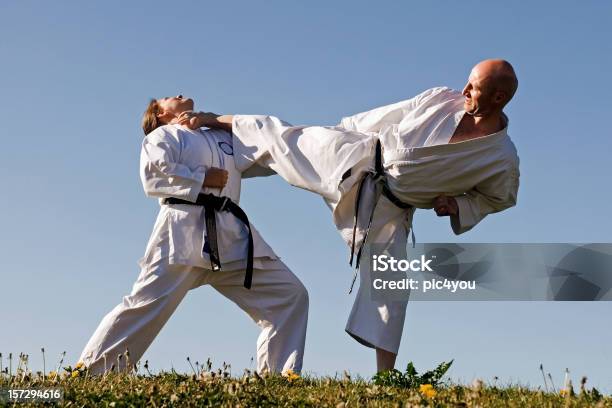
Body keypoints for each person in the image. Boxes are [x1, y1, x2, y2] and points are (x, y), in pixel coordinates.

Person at [178, 59, 520, 372]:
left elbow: (499, 198)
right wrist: (341, 130)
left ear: (499, 97)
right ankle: (214, 130)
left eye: (474, 88)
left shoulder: (501, 159)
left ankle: (386, 378)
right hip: (356, 157)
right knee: (282, 139)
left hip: (389, 208)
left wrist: (459, 205)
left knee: (391, 287)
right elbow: (390, 115)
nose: (465, 91)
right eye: (468, 82)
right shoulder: (440, 100)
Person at [77, 95, 309, 375]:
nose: (177, 94)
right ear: (159, 114)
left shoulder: (220, 136)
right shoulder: (163, 136)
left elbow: (269, 145)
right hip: (182, 232)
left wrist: (216, 120)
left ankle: (279, 378)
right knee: (144, 305)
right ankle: (90, 372)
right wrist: (201, 177)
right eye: (166, 97)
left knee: (290, 295)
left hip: (230, 237)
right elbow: (153, 176)